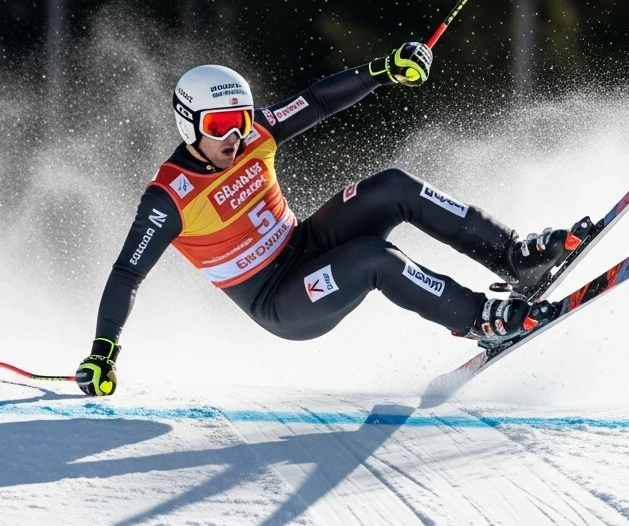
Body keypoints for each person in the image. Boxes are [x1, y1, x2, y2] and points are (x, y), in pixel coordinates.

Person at [75, 45, 575, 396]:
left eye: (241, 120)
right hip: (280, 301)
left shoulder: (255, 136)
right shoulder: (169, 198)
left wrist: (384, 70)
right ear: (189, 125)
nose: (234, 136)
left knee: (392, 186)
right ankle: (477, 320)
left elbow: (314, 101)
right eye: (218, 126)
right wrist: (103, 352)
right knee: (371, 260)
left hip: (305, 244)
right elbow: (127, 274)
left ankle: (515, 258)